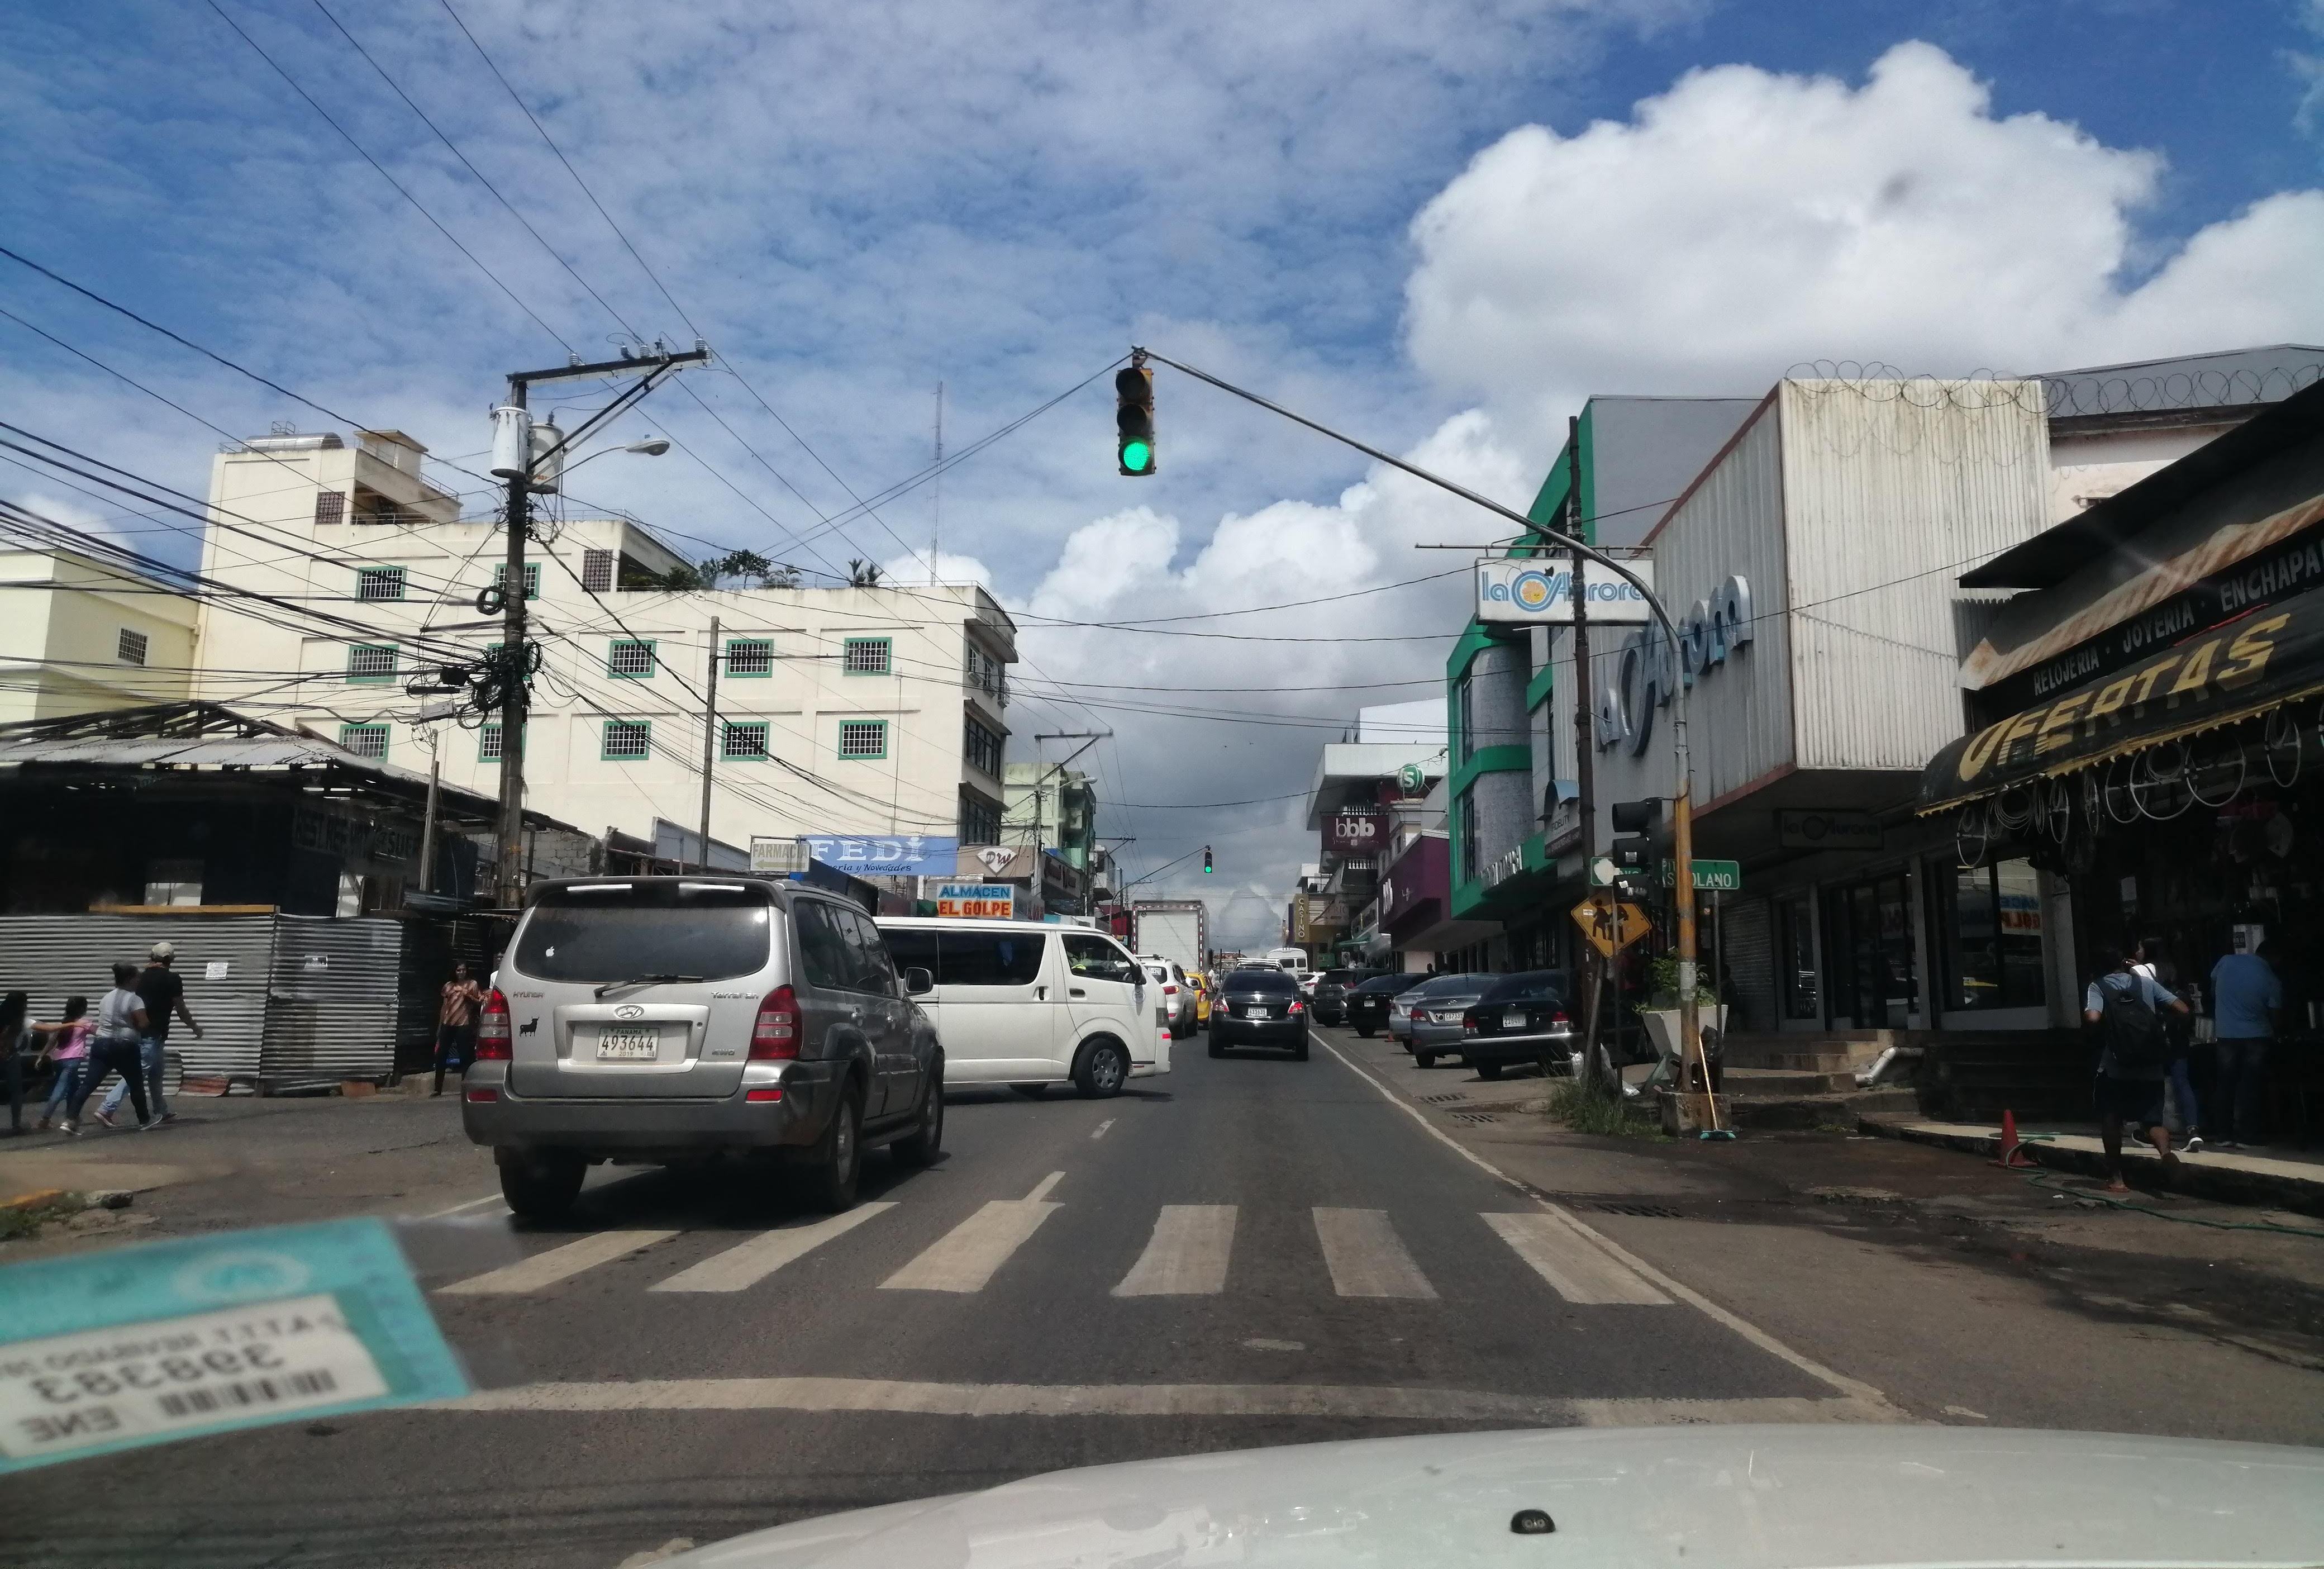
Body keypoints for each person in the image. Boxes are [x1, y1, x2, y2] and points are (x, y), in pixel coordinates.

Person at [2084, 939, 2189, 1193]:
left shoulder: (2097, 987)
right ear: (2123, 962)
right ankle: (2166, 1155)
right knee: (2153, 1120)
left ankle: (2118, 1179)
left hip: (2115, 1068)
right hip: (2150, 1066)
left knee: (2111, 1119)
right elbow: (2183, 1009)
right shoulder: (2146, 983)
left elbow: (2093, 1017)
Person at [96, 941, 199, 1128]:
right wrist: (195, 1027)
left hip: (141, 1031)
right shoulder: (172, 979)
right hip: (154, 1033)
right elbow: (181, 1009)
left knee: (157, 1072)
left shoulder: (139, 978)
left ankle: (161, 1110)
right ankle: (106, 1108)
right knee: (137, 1073)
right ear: (169, 960)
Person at [2209, 938, 2282, 1149]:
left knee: (2225, 1084)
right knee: (2250, 1086)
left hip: (2226, 1034)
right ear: (2275, 957)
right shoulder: (2272, 979)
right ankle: (2247, 1135)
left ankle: (2223, 1133)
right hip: (2257, 1037)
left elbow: (2214, 990)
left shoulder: (2226, 961)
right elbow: (2276, 1017)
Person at [65, 963, 152, 1135]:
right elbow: (144, 1024)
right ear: (129, 979)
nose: (139, 980)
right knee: (135, 1084)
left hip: (102, 1044)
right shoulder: (134, 999)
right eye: (137, 977)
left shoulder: (106, 998)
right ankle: (144, 1121)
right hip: (125, 1046)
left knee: (88, 1084)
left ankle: (70, 1120)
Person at [32, 996, 92, 1132]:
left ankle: (72, 1117)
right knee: (60, 1091)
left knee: (75, 1088)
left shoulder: (64, 1023)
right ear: (82, 1009)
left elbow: (52, 1041)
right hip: (73, 1061)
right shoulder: (84, 1023)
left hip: (58, 1060)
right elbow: (99, 1032)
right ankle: (45, 1120)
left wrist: (41, 1056)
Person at [433, 962, 485, 1095]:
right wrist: (440, 1027)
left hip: (464, 1024)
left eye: (463, 970)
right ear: (455, 972)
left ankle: (465, 1088)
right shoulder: (449, 986)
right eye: (458, 970)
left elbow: (479, 1002)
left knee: (465, 1056)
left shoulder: (472, 984)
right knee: (441, 1056)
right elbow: (444, 1007)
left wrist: (468, 995)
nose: (461, 973)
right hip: (448, 1023)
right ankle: (437, 1088)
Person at [0, 991, 27, 1134]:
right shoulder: (15, 1018)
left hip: (9, 1054)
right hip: (9, 1056)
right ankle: (16, 1124)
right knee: (16, 1091)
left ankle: (17, 1124)